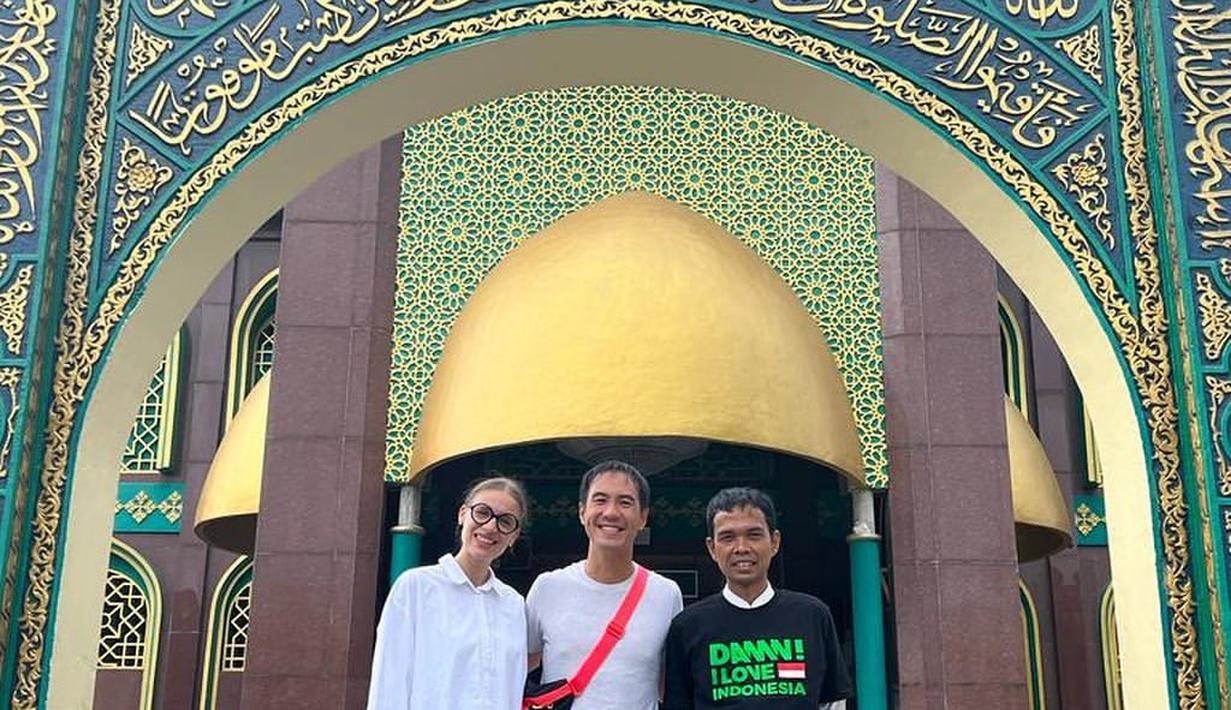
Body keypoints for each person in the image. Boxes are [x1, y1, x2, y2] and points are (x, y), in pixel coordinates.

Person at [663, 487, 852, 709]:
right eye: (728, 537)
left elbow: (832, 702)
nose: (741, 548)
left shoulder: (812, 615)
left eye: (753, 535)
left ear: (774, 542)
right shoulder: (688, 626)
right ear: (712, 548)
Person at [526, 460, 684, 709]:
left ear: (643, 517)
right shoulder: (547, 588)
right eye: (600, 500)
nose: (611, 512)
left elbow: (670, 681)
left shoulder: (666, 594)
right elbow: (519, 665)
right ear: (582, 512)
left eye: (625, 502)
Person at [368, 476, 529, 710]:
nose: (490, 527)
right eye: (482, 513)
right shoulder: (416, 587)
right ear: (462, 514)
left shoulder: (513, 604)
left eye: (505, 522)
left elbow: (512, 688)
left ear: (514, 536)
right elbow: (389, 678)